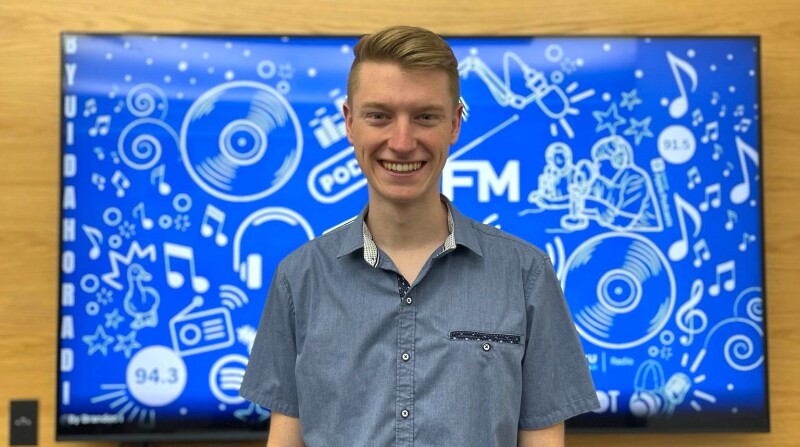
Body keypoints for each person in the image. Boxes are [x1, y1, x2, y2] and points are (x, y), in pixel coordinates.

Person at [239, 25, 599, 447]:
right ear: (350, 123)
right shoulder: (299, 278)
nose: (402, 141)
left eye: (425, 116)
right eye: (380, 116)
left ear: (454, 124)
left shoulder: (526, 275)